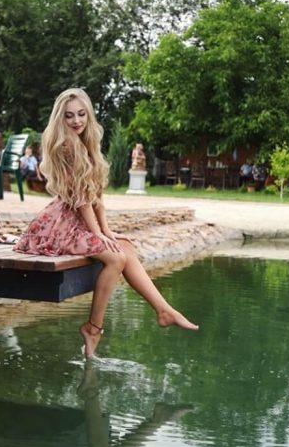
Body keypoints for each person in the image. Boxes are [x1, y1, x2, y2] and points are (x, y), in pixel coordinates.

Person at [13, 88, 198, 358]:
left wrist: (107, 230)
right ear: (60, 118)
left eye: (81, 114)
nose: (76, 120)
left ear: (88, 114)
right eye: (69, 116)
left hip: (80, 218)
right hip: (63, 223)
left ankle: (163, 310)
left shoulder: (86, 143)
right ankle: (93, 328)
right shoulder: (67, 146)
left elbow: (96, 194)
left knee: (126, 248)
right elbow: (81, 199)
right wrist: (97, 233)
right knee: (115, 258)